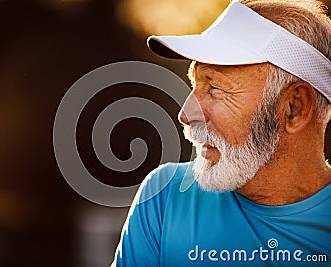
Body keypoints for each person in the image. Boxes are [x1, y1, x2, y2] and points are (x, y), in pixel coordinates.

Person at [112, 0, 331, 266]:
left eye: (215, 89)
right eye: (194, 84)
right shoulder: (164, 196)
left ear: (294, 108)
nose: (185, 114)